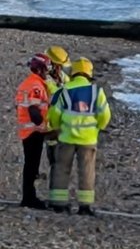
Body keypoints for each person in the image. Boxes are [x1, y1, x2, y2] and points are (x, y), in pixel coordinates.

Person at [48, 56, 111, 215]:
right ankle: (85, 206)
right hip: (88, 139)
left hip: (66, 137)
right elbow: (105, 115)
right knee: (87, 171)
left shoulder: (64, 91)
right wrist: (98, 128)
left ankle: (59, 203)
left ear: (73, 72)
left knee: (61, 169)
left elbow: (54, 113)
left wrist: (57, 128)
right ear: (89, 73)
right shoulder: (97, 92)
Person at [14, 53, 52, 209]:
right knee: (31, 166)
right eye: (47, 68)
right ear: (40, 69)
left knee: (30, 165)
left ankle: (29, 196)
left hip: (26, 130)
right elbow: (34, 111)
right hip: (33, 131)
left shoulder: (27, 83)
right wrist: (44, 125)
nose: (48, 71)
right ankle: (29, 198)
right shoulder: (36, 86)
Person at [43, 45, 70, 177]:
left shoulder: (62, 76)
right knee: (53, 147)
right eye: (58, 65)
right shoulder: (44, 79)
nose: (60, 68)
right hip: (49, 123)